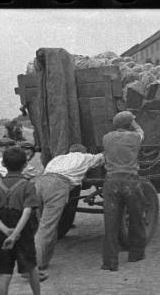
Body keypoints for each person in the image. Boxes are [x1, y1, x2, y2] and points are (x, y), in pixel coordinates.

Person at [0, 146, 48, 295]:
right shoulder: (27, 186)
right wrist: (15, 235)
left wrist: (6, 232)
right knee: (32, 268)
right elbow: (27, 212)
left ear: (3, 163)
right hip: (23, 234)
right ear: (26, 164)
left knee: (4, 273)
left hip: (0, 234)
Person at [34, 143, 104, 273]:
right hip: (57, 185)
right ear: (83, 151)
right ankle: (34, 265)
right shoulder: (85, 157)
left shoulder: (58, 158)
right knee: (47, 227)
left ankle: (42, 260)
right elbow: (102, 157)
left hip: (40, 183)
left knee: (40, 223)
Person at [101, 111, 146, 271]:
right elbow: (141, 132)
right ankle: (136, 254)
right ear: (129, 124)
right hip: (130, 182)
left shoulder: (106, 138)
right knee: (136, 218)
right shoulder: (135, 138)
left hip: (111, 182)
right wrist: (134, 122)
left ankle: (110, 262)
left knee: (111, 223)